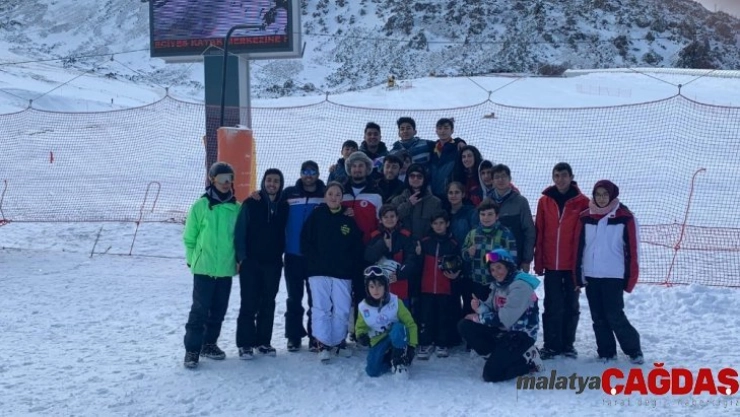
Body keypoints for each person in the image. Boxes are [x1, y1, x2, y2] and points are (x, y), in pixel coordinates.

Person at [574, 180, 643, 365]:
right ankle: (606, 352)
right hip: (592, 275)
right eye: (598, 194)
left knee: (614, 315)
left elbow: (633, 250)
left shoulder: (625, 217)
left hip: (614, 276)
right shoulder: (585, 217)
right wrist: (578, 275)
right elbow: (578, 248)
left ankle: (634, 350)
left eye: (605, 194)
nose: (602, 198)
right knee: (598, 316)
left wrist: (631, 278)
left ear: (612, 195)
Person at [182, 162, 240, 369]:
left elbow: (240, 238)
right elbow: (190, 237)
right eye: (221, 179)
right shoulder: (200, 206)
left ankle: (209, 344)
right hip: (203, 268)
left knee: (218, 310)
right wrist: (192, 260)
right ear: (212, 180)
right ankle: (192, 349)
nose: (225, 183)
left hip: (225, 269)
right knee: (199, 310)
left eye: (229, 179)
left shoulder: (237, 208)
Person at [301, 182, 365, 362]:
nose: (334, 197)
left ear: (342, 198)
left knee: (342, 308)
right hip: (318, 271)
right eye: (330, 194)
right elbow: (305, 240)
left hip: (342, 272)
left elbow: (356, 245)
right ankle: (322, 343)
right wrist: (313, 261)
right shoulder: (317, 215)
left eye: (338, 194)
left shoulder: (348, 218)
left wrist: (350, 265)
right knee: (321, 307)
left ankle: (337, 342)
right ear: (325, 196)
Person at [458, 249, 543, 382]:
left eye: (499, 267)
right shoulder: (498, 285)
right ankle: (496, 355)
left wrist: (478, 317)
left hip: (520, 335)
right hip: (503, 332)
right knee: (465, 325)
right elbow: (491, 309)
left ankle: (529, 362)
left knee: (491, 375)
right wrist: (479, 306)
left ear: (508, 267)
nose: (496, 272)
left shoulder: (520, 286)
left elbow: (504, 319)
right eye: (492, 269)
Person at [534, 162, 590, 360]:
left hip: (572, 265)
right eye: (556, 175)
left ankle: (567, 344)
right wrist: (539, 261)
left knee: (571, 305)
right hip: (552, 265)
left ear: (571, 177)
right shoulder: (545, 201)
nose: (560, 179)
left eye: (564, 175)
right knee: (552, 305)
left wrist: (582, 266)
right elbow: (539, 231)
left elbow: (585, 236)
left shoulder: (583, 202)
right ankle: (551, 345)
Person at [234, 168, 288, 359]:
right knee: (249, 302)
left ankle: (263, 342)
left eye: (276, 181)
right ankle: (245, 344)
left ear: (280, 184)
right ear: (264, 182)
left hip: (273, 263)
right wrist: (242, 257)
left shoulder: (284, 206)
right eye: (269, 180)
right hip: (251, 262)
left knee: (268, 302)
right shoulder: (251, 203)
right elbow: (240, 231)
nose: (272, 184)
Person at [282, 161, 326, 352]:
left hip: (315, 257)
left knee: (315, 299)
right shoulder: (289, 193)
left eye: (312, 172)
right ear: (300, 174)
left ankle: (315, 335)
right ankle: (293, 336)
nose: (309, 175)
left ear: (318, 174)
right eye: (305, 171)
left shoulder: (325, 194)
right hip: (292, 254)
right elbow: (271, 203)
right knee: (294, 298)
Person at [355, 266, 418, 377]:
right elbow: (360, 327)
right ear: (367, 288)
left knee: (398, 328)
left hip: (396, 336)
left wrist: (412, 345)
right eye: (372, 286)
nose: (376, 290)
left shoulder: (395, 302)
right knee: (372, 371)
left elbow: (410, 324)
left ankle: (399, 360)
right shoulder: (363, 307)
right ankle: (390, 359)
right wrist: (361, 335)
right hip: (378, 340)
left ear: (385, 286)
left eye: (379, 286)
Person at [416, 211, 461, 359]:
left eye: (441, 223)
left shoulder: (453, 243)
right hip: (427, 286)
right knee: (426, 315)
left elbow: (459, 262)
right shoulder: (425, 241)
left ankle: (442, 342)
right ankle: (426, 342)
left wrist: (456, 273)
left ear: (447, 224)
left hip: (444, 287)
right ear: (431, 225)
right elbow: (418, 263)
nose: (438, 226)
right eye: (435, 223)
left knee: (443, 315)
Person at [462, 199, 518, 301]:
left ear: (497, 216)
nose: (486, 218)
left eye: (490, 214)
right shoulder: (472, 234)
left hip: (497, 285)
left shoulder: (505, 234)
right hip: (476, 282)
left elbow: (512, 259)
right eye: (482, 214)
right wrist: (468, 253)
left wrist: (491, 257)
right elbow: (464, 254)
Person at [364, 204, 419, 306]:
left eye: (392, 216)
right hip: (380, 286)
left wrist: (399, 274)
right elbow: (369, 258)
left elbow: (411, 259)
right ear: (380, 220)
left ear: (397, 218)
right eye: (386, 217)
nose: (389, 220)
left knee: (401, 312)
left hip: (401, 283)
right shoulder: (375, 236)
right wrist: (382, 244)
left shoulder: (405, 235)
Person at [488, 164, 535, 272]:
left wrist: (526, 260)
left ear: (509, 179)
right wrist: (486, 259)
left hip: (515, 259)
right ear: (492, 181)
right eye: (497, 177)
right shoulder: (487, 202)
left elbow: (529, 231)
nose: (500, 180)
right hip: (493, 259)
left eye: (503, 176)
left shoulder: (520, 202)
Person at [444, 181, 479, 320]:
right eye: (450, 193)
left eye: (457, 192)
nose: (453, 195)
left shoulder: (471, 212)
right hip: (450, 264)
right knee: (452, 303)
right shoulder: (444, 213)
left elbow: (475, 234)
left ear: (463, 194)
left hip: (467, 265)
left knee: (468, 300)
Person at [390, 163, 442, 241]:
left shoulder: (435, 202)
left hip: (426, 244)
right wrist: (408, 204)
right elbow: (391, 221)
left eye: (419, 176)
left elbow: (438, 226)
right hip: (403, 244)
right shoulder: (397, 200)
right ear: (407, 178)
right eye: (412, 176)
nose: (415, 179)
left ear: (424, 179)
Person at [429, 118, 466, 199]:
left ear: (452, 130)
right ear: (436, 131)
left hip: (452, 194)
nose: (443, 131)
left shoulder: (458, 147)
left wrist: (460, 141)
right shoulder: (431, 147)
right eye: (440, 128)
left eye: (446, 128)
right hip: (434, 194)